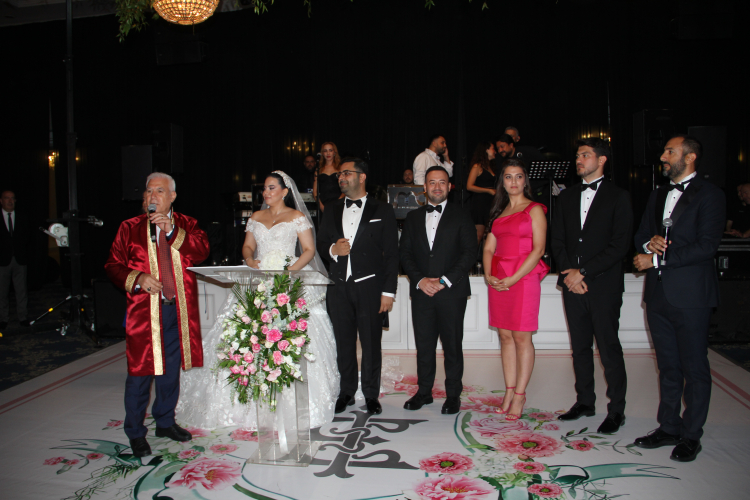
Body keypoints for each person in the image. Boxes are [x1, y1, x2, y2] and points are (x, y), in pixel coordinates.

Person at [176, 171, 340, 430]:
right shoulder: (255, 217)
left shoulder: (296, 217)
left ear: (285, 191)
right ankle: (245, 400)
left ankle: (293, 400)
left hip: (288, 278)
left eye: (272, 187)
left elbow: (309, 250)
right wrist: (251, 260)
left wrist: (289, 272)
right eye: (265, 188)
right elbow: (248, 247)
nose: (266, 192)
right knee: (247, 333)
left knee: (291, 335)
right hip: (259, 278)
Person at [633, 135, 725, 462]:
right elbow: (641, 235)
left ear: (690, 157)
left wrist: (656, 260)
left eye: (669, 151)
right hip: (658, 295)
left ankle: (691, 434)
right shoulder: (658, 194)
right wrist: (650, 244)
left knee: (694, 367)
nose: (662, 156)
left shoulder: (711, 195)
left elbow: (707, 246)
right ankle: (669, 426)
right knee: (668, 366)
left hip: (692, 297)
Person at [105, 172, 210, 458]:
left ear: (172, 196)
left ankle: (165, 422)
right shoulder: (129, 227)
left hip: (178, 311)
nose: (152, 196)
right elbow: (113, 265)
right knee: (140, 374)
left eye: (159, 191)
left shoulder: (187, 224)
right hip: (144, 313)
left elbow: (201, 252)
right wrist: (138, 278)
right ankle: (135, 432)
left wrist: (172, 231)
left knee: (170, 372)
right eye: (149, 191)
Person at [551, 138, 633, 435]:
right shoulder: (566, 197)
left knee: (609, 349)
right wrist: (569, 274)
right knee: (580, 348)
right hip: (572, 285)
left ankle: (617, 410)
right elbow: (557, 240)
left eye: (585, 155)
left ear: (601, 160)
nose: (579, 159)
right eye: (577, 155)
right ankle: (585, 401)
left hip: (603, 285)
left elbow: (620, 245)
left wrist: (582, 272)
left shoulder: (619, 196)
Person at [316, 158, 399, 415]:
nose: (341, 177)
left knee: (371, 343)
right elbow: (320, 244)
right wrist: (333, 249)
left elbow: (391, 254)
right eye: (339, 174)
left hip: (371, 288)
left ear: (362, 177)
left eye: (346, 173)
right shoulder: (331, 208)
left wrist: (388, 292)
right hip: (338, 287)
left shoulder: (382, 209)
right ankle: (347, 392)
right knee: (344, 343)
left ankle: (371, 394)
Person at [400, 166, 476, 414]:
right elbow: (405, 254)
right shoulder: (412, 218)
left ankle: (453, 395)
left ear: (450, 186)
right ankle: (424, 392)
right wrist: (421, 280)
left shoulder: (462, 216)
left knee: (452, 346)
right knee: (424, 346)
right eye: (432, 182)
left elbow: (469, 253)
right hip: (422, 292)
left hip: (452, 292)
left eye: (442, 182)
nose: (437, 187)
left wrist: (443, 281)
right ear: (424, 187)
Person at [482, 159, 548, 420]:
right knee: (505, 336)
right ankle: (509, 391)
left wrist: (514, 278)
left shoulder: (534, 209)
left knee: (522, 337)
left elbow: (538, 249)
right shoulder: (498, 213)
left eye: (518, 176)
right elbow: (489, 248)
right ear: (502, 182)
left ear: (525, 180)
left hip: (523, 277)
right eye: (508, 177)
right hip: (499, 278)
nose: (513, 181)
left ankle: (520, 395)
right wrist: (488, 274)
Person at [0, 190, 31, 329]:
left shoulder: (22, 217)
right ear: (1, 201)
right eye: (7, 198)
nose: (10, 201)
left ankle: (23, 317)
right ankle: (3, 319)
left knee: (21, 291)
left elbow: (27, 236)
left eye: (12, 198)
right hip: (2, 261)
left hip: (20, 259)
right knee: (2, 292)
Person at [467, 141, 497, 246]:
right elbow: (469, 186)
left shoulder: (491, 167)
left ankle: (485, 257)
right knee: (478, 234)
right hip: (480, 203)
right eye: (493, 148)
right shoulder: (477, 166)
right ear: (486, 150)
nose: (495, 151)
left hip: (490, 203)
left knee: (488, 236)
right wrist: (488, 190)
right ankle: (470, 255)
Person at [313, 142, 342, 213]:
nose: (328, 153)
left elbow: (346, 189)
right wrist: (321, 207)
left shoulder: (341, 168)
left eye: (330, 150)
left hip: (339, 203)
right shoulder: (318, 170)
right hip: (323, 204)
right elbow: (315, 192)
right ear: (322, 153)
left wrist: (338, 203)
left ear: (334, 152)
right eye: (325, 151)